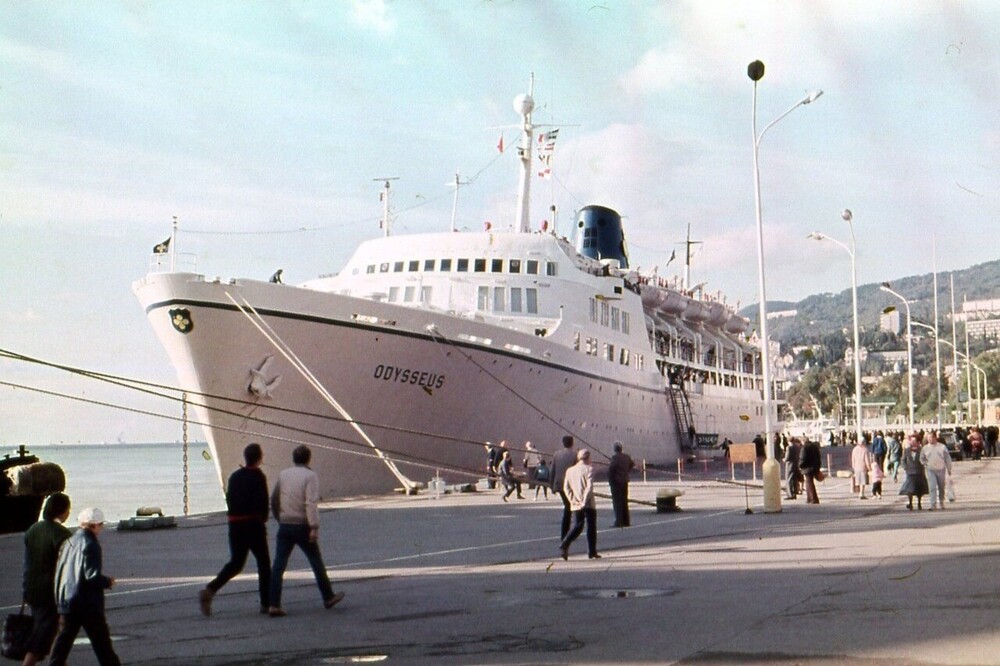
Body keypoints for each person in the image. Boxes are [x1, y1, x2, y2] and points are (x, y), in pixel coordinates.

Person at [268, 445, 344, 617]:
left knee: (279, 565)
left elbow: (274, 499)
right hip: (302, 525)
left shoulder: (283, 474)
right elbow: (310, 502)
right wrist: (314, 527)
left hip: (285, 524)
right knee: (315, 561)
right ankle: (328, 596)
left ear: (293, 458)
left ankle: (274, 603)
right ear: (308, 459)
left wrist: (280, 518)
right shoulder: (311, 476)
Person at [200, 443, 271, 616]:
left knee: (236, 563)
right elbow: (262, 503)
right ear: (260, 458)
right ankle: (266, 603)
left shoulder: (234, 476)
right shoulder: (258, 476)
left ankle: (210, 589)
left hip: (235, 525)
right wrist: (263, 519)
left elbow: (229, 498)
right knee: (264, 564)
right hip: (253, 525)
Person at [48, 507, 121, 666]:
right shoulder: (91, 544)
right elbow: (91, 576)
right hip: (87, 604)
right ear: (95, 525)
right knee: (102, 646)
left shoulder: (69, 542)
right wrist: (108, 582)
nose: (101, 528)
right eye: (101, 525)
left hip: (67, 600)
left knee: (62, 644)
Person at [20, 492, 72, 666]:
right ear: (63, 511)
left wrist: (25, 589)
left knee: (51, 634)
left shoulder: (33, 530)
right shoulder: (62, 534)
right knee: (42, 638)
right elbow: (66, 569)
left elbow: (28, 564)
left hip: (32, 590)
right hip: (51, 593)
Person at [559, 449, 599, 560]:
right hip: (588, 504)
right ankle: (592, 551)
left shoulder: (570, 470)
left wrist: (572, 500)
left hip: (575, 503)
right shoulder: (589, 469)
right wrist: (584, 501)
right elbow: (589, 487)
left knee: (577, 526)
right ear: (588, 458)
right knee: (591, 527)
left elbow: (566, 487)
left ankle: (565, 543)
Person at [550, 435, 577, 539]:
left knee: (568, 506)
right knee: (570, 507)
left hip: (559, 484)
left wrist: (551, 485)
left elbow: (552, 470)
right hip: (571, 485)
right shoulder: (575, 455)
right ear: (572, 443)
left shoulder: (557, 454)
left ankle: (565, 533)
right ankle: (568, 533)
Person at [920, 431, 952, 511]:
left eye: (931, 437)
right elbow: (921, 458)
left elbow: (947, 458)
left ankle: (941, 502)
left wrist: (949, 468)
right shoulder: (925, 448)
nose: (930, 439)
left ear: (935, 437)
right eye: (928, 438)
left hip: (941, 469)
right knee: (932, 487)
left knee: (941, 487)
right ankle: (933, 504)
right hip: (930, 469)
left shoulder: (942, 447)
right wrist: (925, 464)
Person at [607, 442, 634, 527]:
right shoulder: (627, 457)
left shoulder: (614, 458)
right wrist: (626, 471)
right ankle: (626, 521)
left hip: (616, 483)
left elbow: (611, 470)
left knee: (617, 502)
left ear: (615, 449)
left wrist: (611, 480)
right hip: (625, 481)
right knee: (624, 501)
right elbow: (632, 464)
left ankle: (619, 521)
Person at [900, 433, 929, 510]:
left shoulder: (922, 450)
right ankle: (910, 503)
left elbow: (925, 459)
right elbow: (903, 460)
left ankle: (919, 503)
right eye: (911, 441)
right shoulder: (907, 450)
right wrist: (905, 467)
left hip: (919, 472)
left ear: (918, 442)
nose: (912, 442)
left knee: (919, 489)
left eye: (914, 441)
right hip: (910, 472)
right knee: (910, 489)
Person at [799, 439, 822, 504]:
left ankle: (812, 498)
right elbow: (819, 458)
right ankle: (810, 498)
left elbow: (802, 458)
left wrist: (800, 465)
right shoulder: (815, 447)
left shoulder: (804, 448)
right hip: (814, 467)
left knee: (809, 483)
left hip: (807, 468)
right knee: (810, 483)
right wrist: (818, 467)